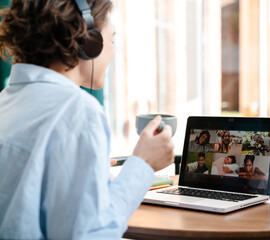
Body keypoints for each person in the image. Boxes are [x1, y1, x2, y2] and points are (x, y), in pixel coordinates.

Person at [0, 1, 174, 239]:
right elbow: (91, 235)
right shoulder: (76, 111)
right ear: (89, 43)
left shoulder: (5, 101)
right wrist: (143, 164)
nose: (112, 52)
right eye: (111, 40)